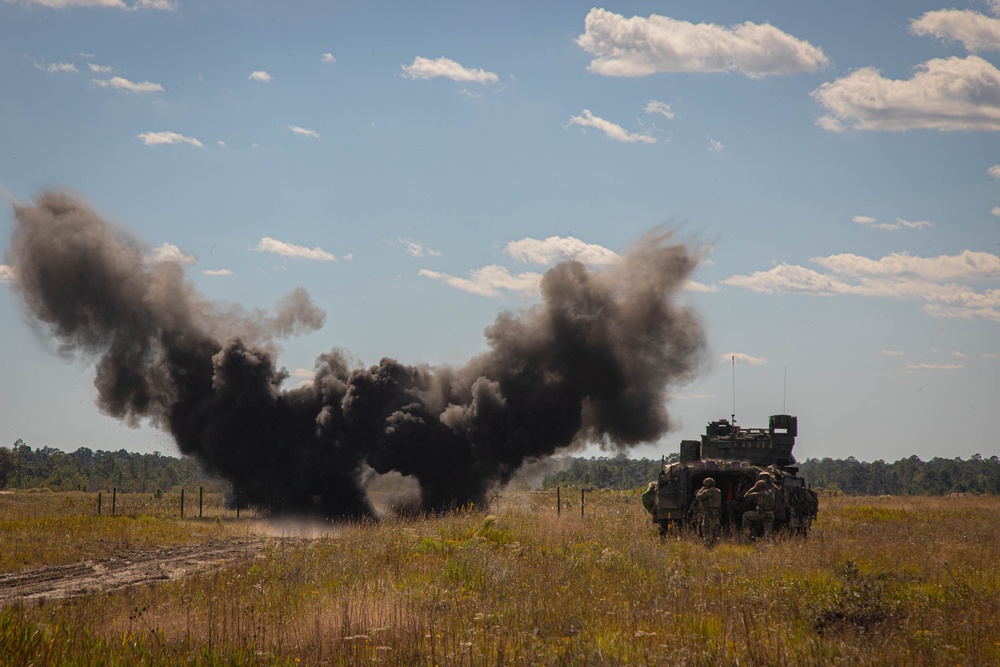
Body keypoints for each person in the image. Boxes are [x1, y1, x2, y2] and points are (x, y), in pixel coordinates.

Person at [742, 472, 776, 540]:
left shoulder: (759, 493)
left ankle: (747, 533)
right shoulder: (771, 492)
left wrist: (753, 488)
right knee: (768, 532)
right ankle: (768, 545)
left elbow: (746, 496)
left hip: (762, 514)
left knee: (745, 515)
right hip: (770, 514)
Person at [695, 477, 722, 547]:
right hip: (716, 512)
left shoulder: (708, 491)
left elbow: (699, 497)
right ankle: (715, 544)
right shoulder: (718, 491)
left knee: (706, 528)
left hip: (709, 512)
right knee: (715, 529)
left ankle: (708, 545)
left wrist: (701, 490)